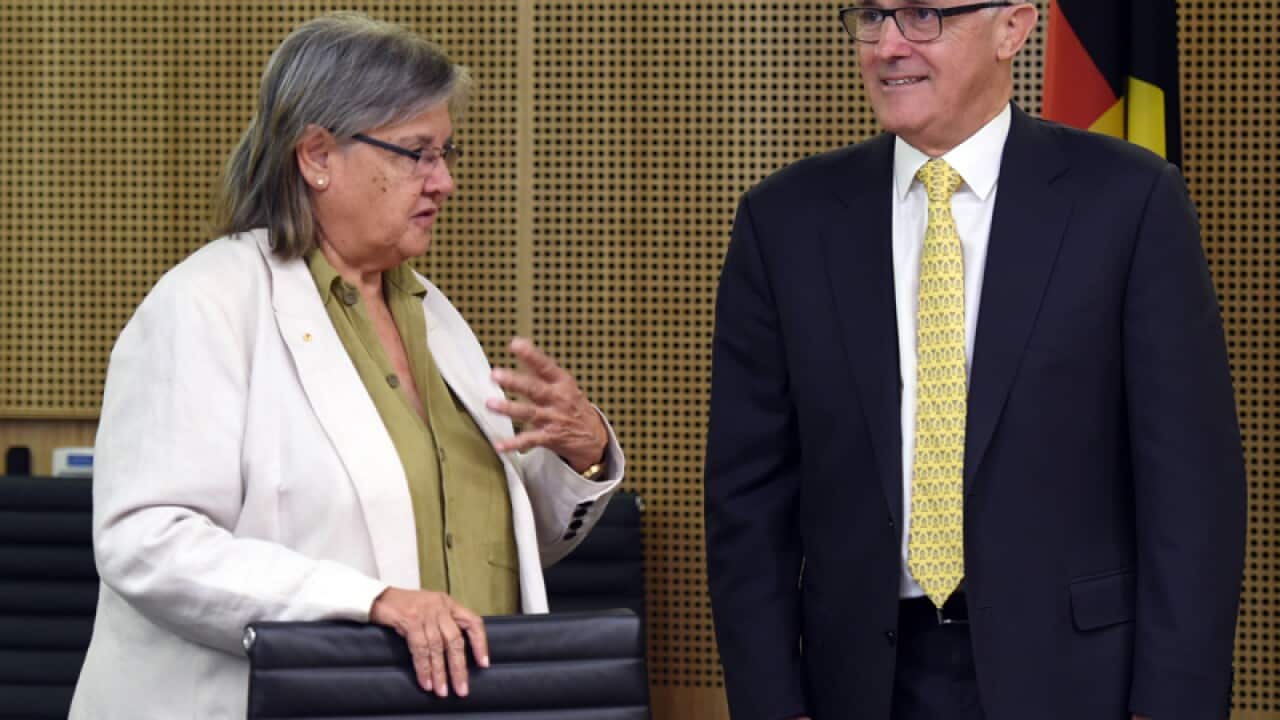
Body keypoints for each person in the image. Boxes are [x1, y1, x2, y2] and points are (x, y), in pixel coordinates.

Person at [70, 13, 624, 719]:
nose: (445, 181)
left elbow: (480, 546)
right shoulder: (205, 303)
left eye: (447, 152)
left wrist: (581, 454)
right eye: (417, 153)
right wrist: (367, 601)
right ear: (317, 156)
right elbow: (146, 543)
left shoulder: (433, 315)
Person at [704, 2, 1246, 719]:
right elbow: (747, 496)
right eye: (873, 16)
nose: (888, 45)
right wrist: (773, 704)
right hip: (855, 681)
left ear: (1012, 28)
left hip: (1079, 679)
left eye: (922, 15)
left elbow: (1191, 488)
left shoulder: (1129, 200)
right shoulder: (784, 220)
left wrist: (1172, 703)